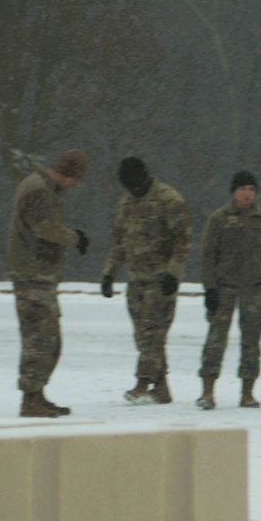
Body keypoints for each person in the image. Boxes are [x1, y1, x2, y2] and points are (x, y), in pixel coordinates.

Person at [100, 157, 192, 404]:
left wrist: (174, 273)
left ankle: (142, 383)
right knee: (143, 336)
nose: (132, 189)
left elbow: (183, 241)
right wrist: (109, 273)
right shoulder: (127, 203)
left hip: (161, 280)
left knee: (152, 334)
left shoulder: (169, 200)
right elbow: (119, 241)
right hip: (136, 279)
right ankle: (161, 387)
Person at [6, 148, 90, 417]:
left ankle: (37, 394)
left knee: (48, 338)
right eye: (77, 179)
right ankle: (31, 398)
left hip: (39, 274)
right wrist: (74, 238)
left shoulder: (44, 187)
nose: (77, 186)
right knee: (40, 339)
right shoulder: (39, 190)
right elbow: (43, 229)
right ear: (68, 174)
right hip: (33, 274)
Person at [197, 170, 261, 410]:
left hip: (254, 289)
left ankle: (247, 392)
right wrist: (209, 289)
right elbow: (208, 256)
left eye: (251, 189)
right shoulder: (220, 218)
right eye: (242, 189)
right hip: (224, 287)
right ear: (233, 192)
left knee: (251, 342)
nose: (247, 194)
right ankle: (207, 391)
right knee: (215, 340)